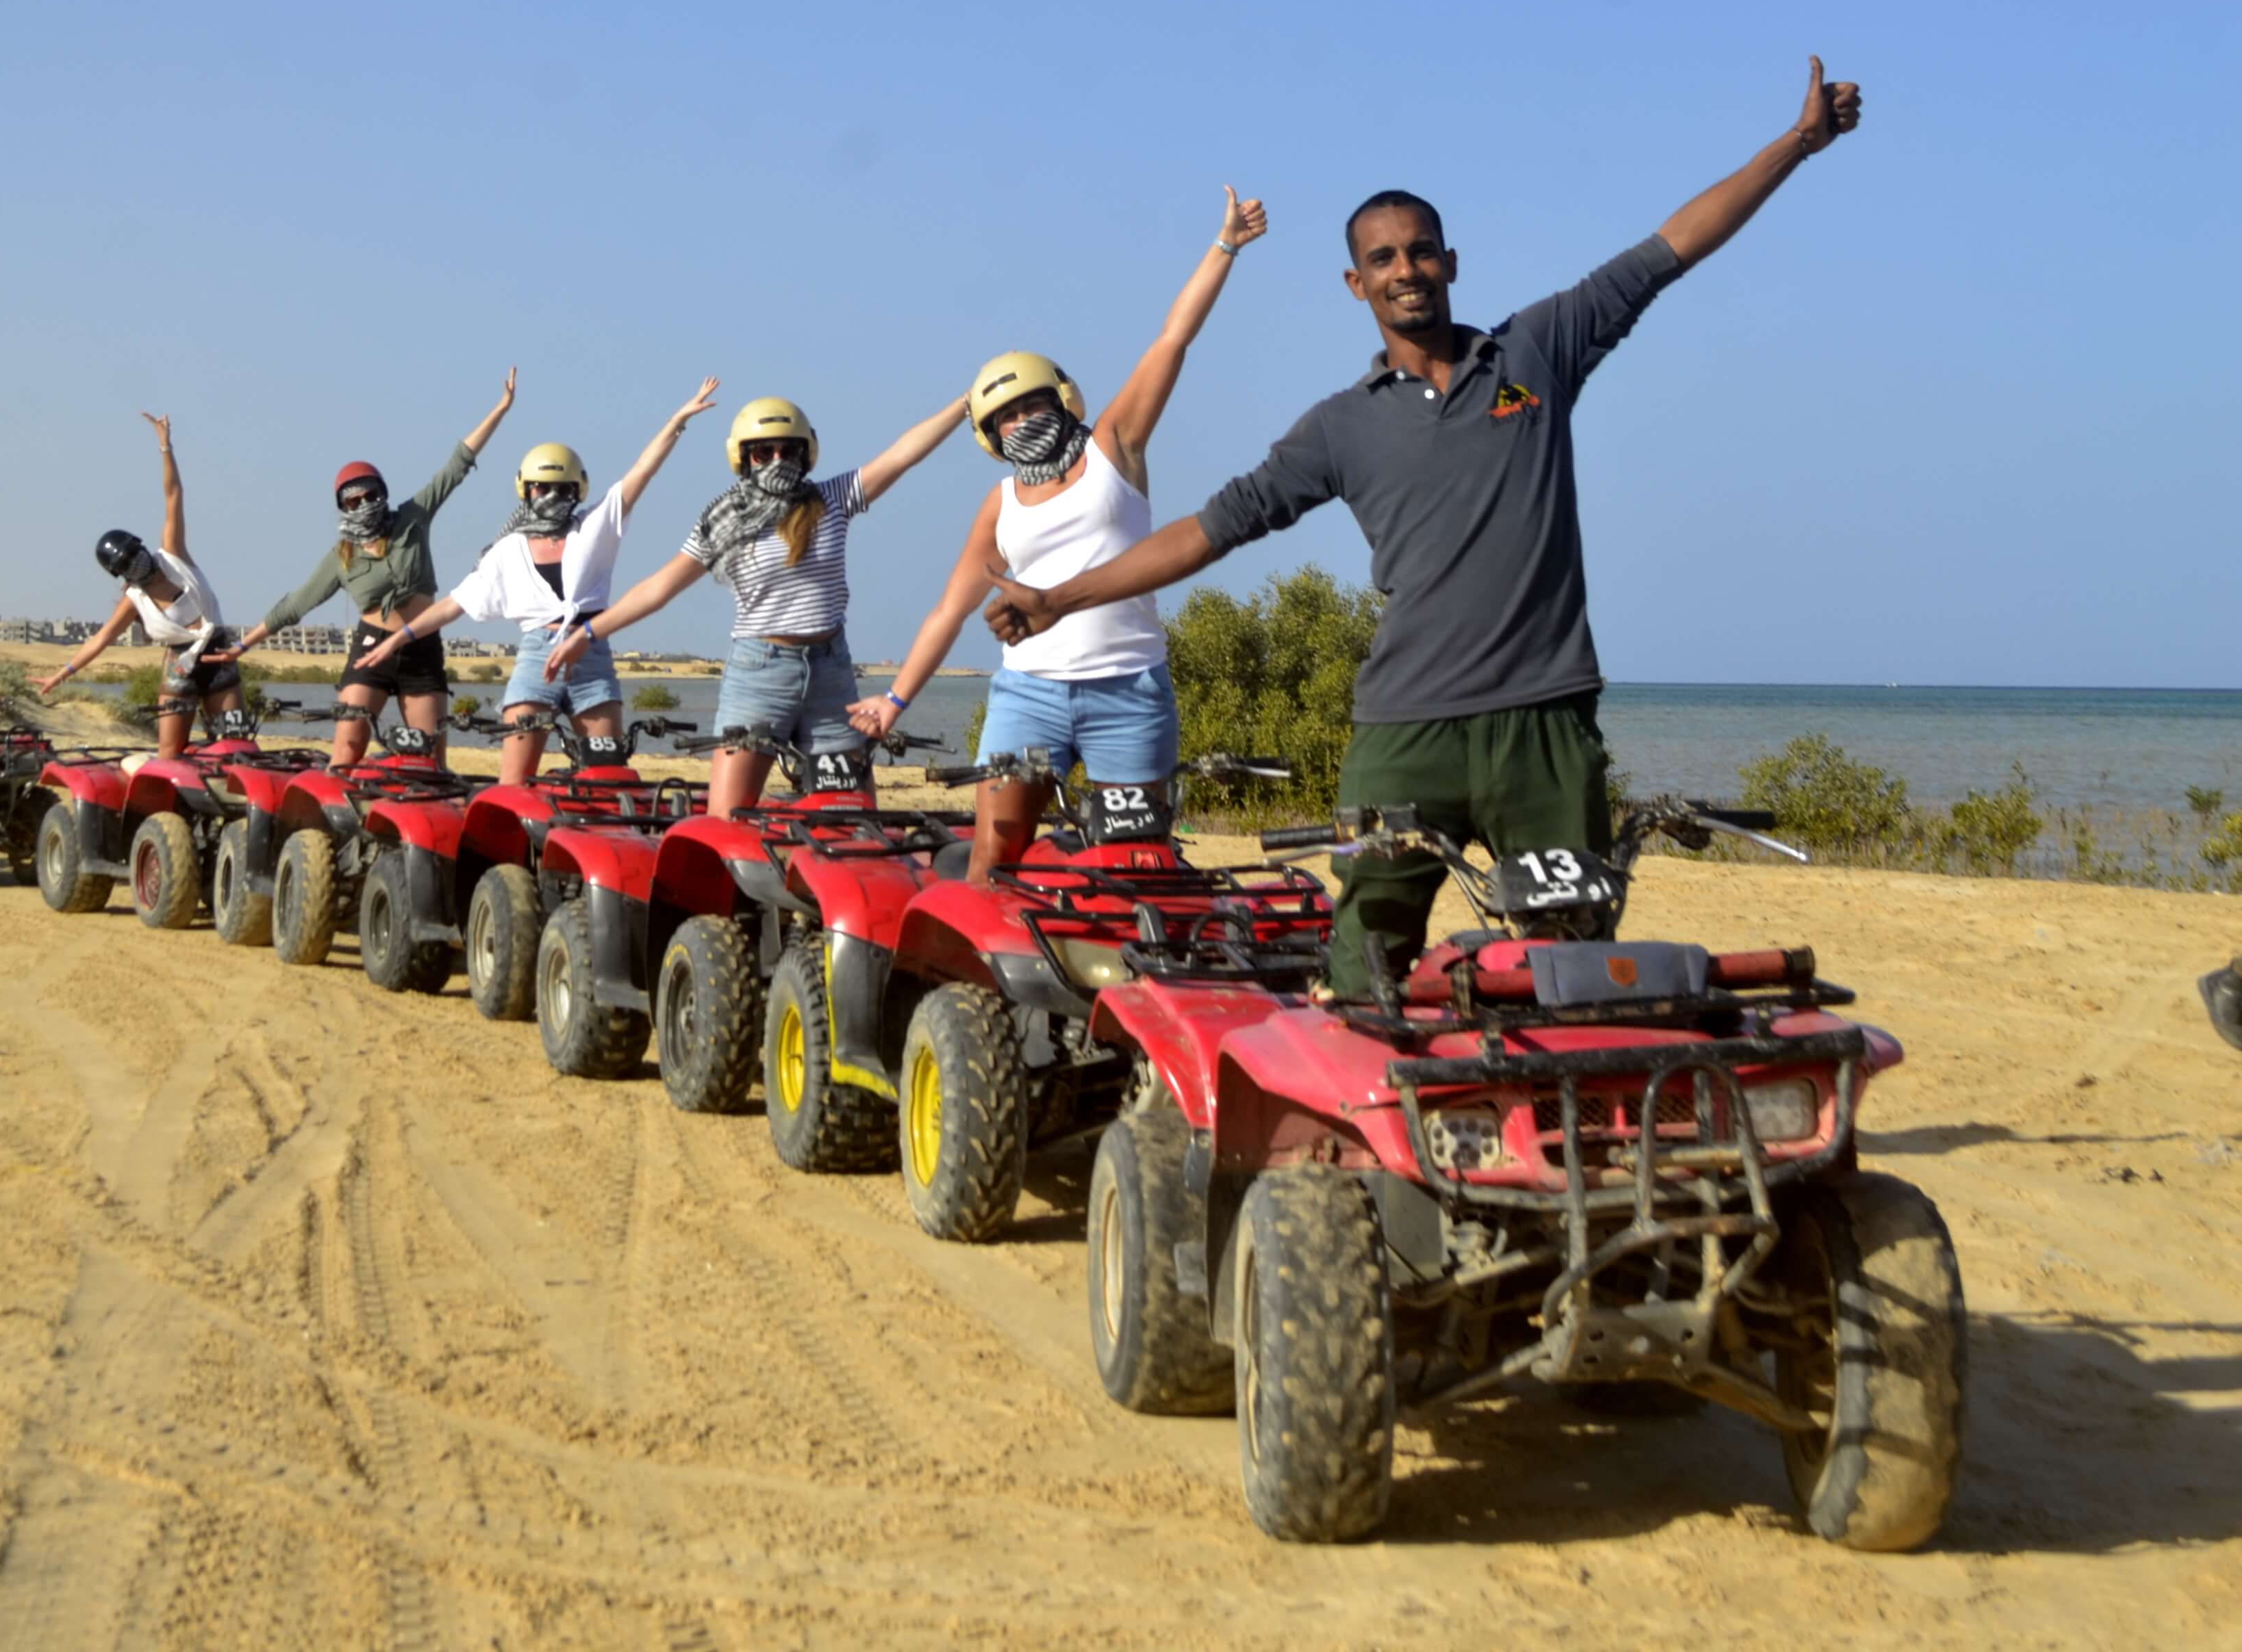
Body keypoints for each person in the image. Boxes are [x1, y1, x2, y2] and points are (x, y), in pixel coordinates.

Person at [985, 60, 1865, 992]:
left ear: (1450, 262)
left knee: (1568, 971)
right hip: (1405, 734)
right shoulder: (1340, 425)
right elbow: (1212, 529)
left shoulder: (1534, 350)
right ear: (1355, 284)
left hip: (1545, 727)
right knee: (1365, 976)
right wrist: (1057, 599)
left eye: (1422, 251)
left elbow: (1672, 247)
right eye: (1384, 259)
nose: (1406, 270)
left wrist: (1797, 146)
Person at [852, 189, 1271, 878]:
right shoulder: (1000, 504)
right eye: (1005, 417)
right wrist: (894, 701)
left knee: (1137, 861)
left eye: (1031, 404)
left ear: (1062, 398)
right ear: (990, 436)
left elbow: (1173, 339)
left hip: (1129, 690)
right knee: (995, 852)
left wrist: (1224, 246)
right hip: (1029, 696)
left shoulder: (1115, 448)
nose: (1021, 421)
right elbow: (949, 611)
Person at [545, 390, 970, 818]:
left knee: (854, 820)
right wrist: (589, 632)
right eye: (763, 452)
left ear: (807, 454)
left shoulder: (831, 499)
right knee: (727, 820)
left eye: (788, 449)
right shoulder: (723, 520)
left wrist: (964, 405)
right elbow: (661, 587)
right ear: (745, 458)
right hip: (759, 674)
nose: (776, 459)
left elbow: (902, 455)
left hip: (831, 675)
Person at [364, 379, 719, 784]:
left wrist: (677, 422)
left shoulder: (593, 527)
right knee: (514, 781)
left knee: (607, 777)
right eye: (541, 487)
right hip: (538, 656)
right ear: (525, 490)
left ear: (578, 488)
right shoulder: (507, 550)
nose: (550, 494)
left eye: (561, 488)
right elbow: (453, 604)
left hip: (592, 652)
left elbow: (642, 472)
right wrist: (400, 637)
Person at [230, 372, 518, 766]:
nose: (364, 504)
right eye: (354, 500)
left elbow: (456, 466)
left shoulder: (412, 519)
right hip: (370, 652)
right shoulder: (342, 556)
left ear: (383, 493)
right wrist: (243, 645)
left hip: (422, 648)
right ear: (342, 507)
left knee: (429, 759)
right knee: (347, 750)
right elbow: (295, 605)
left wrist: (500, 409)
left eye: (371, 495)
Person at [40, 414, 242, 757]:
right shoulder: (134, 600)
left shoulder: (173, 555)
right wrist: (59, 676)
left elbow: (173, 495)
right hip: (180, 666)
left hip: (220, 654)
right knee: (170, 753)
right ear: (121, 574)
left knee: (235, 746)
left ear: (142, 546)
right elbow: (100, 640)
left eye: (137, 554)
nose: (138, 563)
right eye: (127, 564)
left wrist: (166, 447)